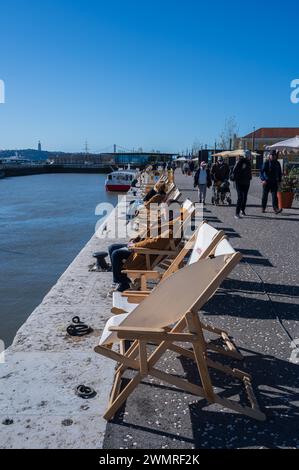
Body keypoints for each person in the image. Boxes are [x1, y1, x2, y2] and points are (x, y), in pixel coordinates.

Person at [232, 150, 252, 219]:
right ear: (246, 155)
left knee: (245, 197)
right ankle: (236, 213)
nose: (250, 156)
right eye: (249, 155)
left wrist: (250, 177)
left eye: (250, 155)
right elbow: (234, 171)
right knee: (240, 197)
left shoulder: (249, 162)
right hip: (239, 182)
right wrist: (239, 175)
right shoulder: (241, 161)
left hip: (246, 182)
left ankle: (242, 210)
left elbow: (249, 171)